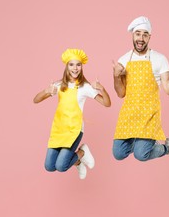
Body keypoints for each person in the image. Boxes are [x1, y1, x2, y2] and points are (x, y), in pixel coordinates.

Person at [112, 16, 169, 163]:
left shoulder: (159, 59)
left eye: (145, 35)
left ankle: (168, 148)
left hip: (149, 113)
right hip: (129, 113)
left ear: (149, 37)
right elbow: (121, 93)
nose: (141, 38)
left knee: (141, 155)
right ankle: (140, 142)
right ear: (133, 35)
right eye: (138, 34)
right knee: (118, 153)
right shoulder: (123, 60)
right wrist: (115, 76)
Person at [34, 48, 111, 179]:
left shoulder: (85, 87)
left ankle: (81, 152)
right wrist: (47, 91)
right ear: (66, 66)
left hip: (74, 130)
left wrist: (102, 89)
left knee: (61, 166)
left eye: (78, 65)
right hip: (59, 130)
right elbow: (36, 100)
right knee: (49, 166)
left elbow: (106, 103)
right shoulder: (58, 85)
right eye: (71, 64)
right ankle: (78, 162)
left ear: (81, 67)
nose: (75, 68)